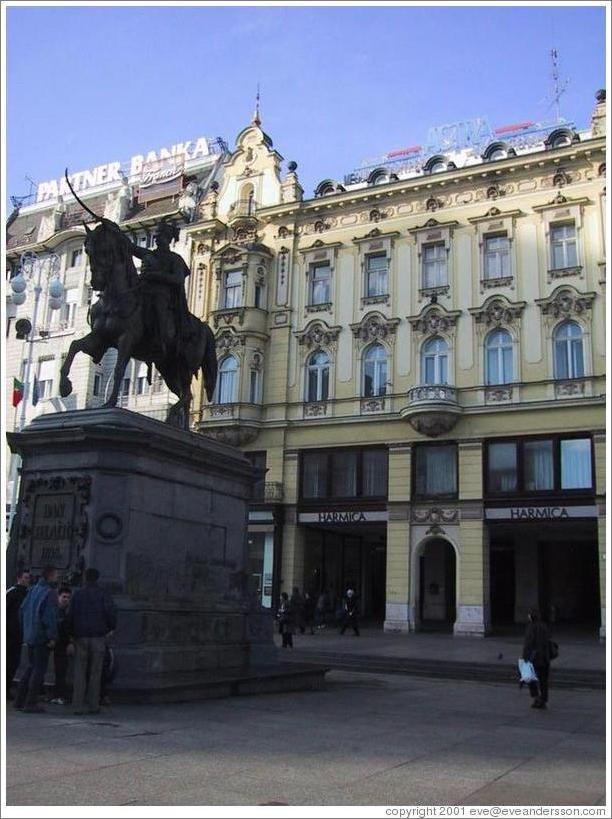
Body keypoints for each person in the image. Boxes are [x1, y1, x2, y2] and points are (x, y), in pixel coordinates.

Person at [110, 219, 194, 361]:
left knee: (158, 305)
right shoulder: (150, 254)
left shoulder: (175, 259)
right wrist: (114, 230)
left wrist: (156, 275)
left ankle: (161, 340)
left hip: (163, 295)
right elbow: (131, 247)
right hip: (144, 291)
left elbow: (178, 279)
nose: (156, 238)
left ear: (167, 239)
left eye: (160, 235)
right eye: (156, 235)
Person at [67, 568, 117, 716]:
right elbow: (110, 612)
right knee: (96, 672)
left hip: (80, 636)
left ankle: (77, 705)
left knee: (79, 672)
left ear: (85, 577)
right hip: (98, 636)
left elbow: (71, 615)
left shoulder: (78, 594)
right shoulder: (103, 594)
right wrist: (111, 628)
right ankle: (93, 705)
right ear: (97, 578)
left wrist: (70, 634)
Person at [13, 566, 58, 713]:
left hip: (30, 635)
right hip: (41, 636)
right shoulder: (49, 593)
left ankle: (19, 700)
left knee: (31, 667)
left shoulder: (32, 590)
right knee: (39, 670)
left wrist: (26, 630)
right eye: (55, 575)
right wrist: (52, 636)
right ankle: (31, 702)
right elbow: (49, 617)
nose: (57, 578)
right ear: (50, 576)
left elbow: (22, 610)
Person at [6, 569, 32, 699]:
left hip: (19, 635)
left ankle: (7, 688)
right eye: (25, 578)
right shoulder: (11, 592)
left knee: (14, 663)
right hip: (8, 635)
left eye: (28, 578)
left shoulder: (28, 593)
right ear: (19, 578)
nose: (27, 580)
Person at [522, 609, 552, 709]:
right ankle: (543, 699)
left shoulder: (531, 627)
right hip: (545, 658)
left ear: (531, 617)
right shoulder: (544, 626)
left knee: (530, 678)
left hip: (534, 658)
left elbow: (528, 644)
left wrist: (525, 658)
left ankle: (536, 698)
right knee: (543, 680)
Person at [50, 586, 72, 705]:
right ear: (58, 597)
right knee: (60, 671)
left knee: (61, 671)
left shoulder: (65, 612)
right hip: (58, 644)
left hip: (62, 644)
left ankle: (58, 694)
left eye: (68, 597)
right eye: (64, 597)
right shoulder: (57, 611)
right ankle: (58, 694)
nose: (66, 599)